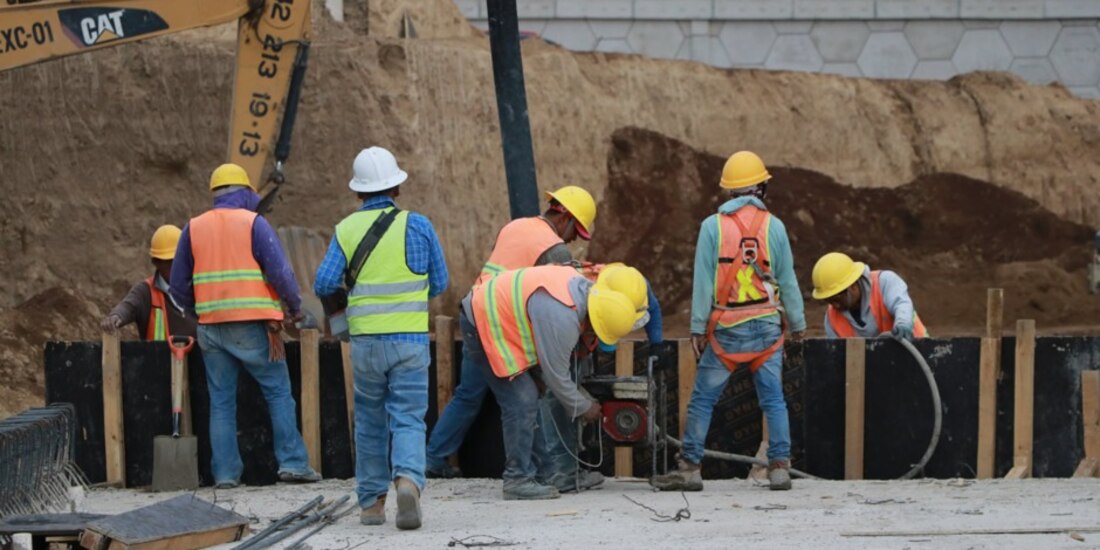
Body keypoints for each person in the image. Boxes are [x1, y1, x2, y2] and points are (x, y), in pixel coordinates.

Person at [652, 151, 806, 492]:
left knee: (703, 400)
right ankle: (780, 467)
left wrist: (697, 328)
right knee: (774, 400)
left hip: (727, 331)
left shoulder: (712, 227)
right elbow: (788, 281)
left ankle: (690, 469)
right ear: (760, 189)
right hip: (767, 329)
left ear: (730, 191)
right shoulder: (775, 226)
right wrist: (797, 324)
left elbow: (703, 282)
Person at [314, 146, 449, 530]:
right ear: (397, 188)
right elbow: (440, 282)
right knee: (408, 417)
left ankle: (372, 505)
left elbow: (324, 282)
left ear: (358, 191)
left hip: (366, 344)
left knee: (370, 421)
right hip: (410, 341)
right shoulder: (419, 225)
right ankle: (407, 481)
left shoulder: (346, 229)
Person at [425, 186, 597, 479]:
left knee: (468, 394)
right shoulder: (555, 250)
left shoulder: (517, 225)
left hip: (478, 311)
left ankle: (434, 458)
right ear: (565, 217)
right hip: (501, 328)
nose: (572, 239)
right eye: (575, 231)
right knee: (529, 397)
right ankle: (541, 472)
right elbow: (557, 296)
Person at [170, 163, 319, 490]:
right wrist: (294, 307)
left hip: (211, 328)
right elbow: (280, 273)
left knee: (221, 402)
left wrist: (201, 311)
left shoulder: (193, 228)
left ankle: (225, 474)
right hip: (253, 326)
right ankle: (293, 463)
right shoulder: (254, 223)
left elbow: (178, 288)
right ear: (247, 193)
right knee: (278, 393)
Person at [459, 264, 638, 500]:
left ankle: (545, 474)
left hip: (500, 318)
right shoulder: (563, 317)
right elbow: (557, 378)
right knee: (521, 400)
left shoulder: (580, 291)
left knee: (531, 394)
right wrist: (585, 407)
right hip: (484, 320)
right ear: (596, 323)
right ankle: (517, 479)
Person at [535, 263, 662, 493]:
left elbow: (652, 307)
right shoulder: (583, 290)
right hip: (561, 336)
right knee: (557, 397)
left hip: (580, 335)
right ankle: (559, 471)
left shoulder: (636, 286)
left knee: (572, 396)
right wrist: (583, 405)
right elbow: (558, 377)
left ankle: (571, 467)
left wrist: (657, 343)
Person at [101, 225, 196, 340]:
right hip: (158, 352)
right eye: (168, 262)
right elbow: (128, 307)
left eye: (177, 261)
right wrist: (115, 316)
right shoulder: (145, 293)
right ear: (156, 262)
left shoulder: (198, 289)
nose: (175, 267)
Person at [811, 252, 928, 340]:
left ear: (853, 286)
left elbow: (901, 304)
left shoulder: (884, 283)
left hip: (918, 352)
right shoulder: (832, 318)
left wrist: (902, 323)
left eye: (837, 299)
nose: (835, 305)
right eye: (829, 300)